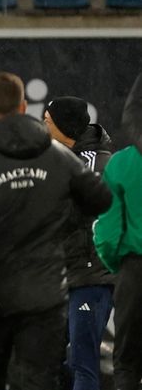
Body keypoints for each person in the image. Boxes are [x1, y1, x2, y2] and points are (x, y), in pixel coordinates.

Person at [0, 72, 112, 390]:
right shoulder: (59, 159)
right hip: (41, 292)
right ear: (23, 107)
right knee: (37, 381)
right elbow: (101, 200)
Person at [43, 96, 114, 390]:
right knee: (55, 364)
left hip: (90, 276)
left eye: (47, 122)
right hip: (66, 277)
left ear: (64, 126)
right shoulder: (61, 159)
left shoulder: (93, 164)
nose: (42, 127)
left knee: (83, 363)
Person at [93, 73, 142, 390]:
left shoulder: (121, 163)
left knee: (126, 364)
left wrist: (120, 267)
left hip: (135, 272)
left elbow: (108, 235)